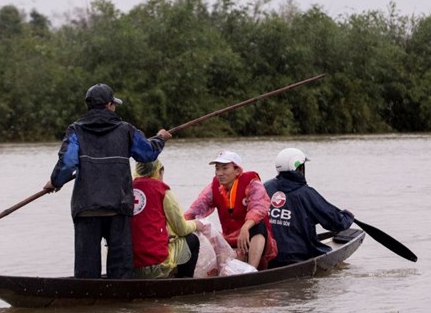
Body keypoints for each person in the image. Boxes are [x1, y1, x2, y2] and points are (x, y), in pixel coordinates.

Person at [45, 83, 172, 279]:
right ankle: (119, 302)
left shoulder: (76, 130)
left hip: (86, 208)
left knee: (86, 273)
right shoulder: (125, 130)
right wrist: (160, 138)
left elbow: (68, 162)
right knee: (121, 270)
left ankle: (87, 301)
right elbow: (147, 153)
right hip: (117, 207)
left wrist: (55, 182)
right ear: (110, 105)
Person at [184, 150, 277, 269]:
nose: (220, 173)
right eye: (217, 169)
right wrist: (181, 223)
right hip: (230, 240)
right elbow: (196, 208)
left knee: (258, 225)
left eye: (225, 168)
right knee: (198, 227)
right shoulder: (215, 187)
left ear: (237, 170)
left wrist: (245, 227)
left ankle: (251, 270)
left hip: (252, 239)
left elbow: (259, 207)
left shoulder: (251, 182)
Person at [262, 147, 355, 267]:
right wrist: (348, 216)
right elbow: (336, 223)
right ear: (299, 168)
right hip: (298, 256)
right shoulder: (306, 193)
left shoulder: (265, 187)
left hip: (267, 256)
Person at [130, 160, 206, 278]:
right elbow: (181, 229)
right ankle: (184, 282)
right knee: (192, 240)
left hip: (127, 265)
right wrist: (196, 224)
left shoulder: (126, 188)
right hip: (153, 265)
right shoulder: (162, 191)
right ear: (159, 172)